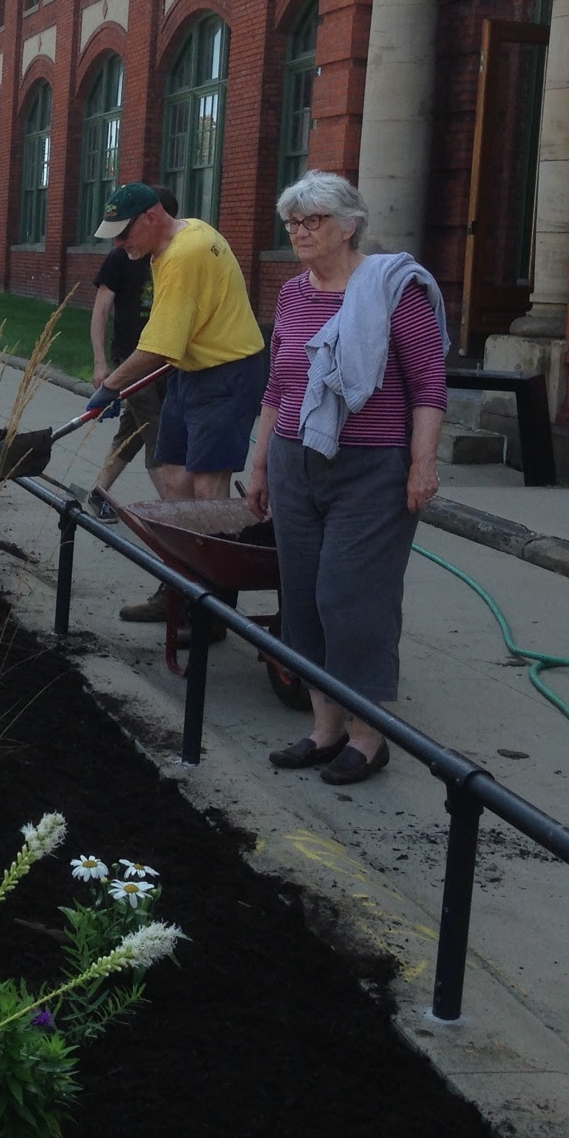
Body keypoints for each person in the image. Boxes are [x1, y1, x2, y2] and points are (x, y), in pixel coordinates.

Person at [243, 171, 447, 786]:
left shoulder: (392, 290)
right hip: (294, 460)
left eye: (313, 221)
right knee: (303, 598)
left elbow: (429, 384)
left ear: (349, 226)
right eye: (293, 223)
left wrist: (422, 463)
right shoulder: (292, 294)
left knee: (352, 600)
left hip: (371, 469)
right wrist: (259, 464)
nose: (300, 232)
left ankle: (368, 736)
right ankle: (324, 728)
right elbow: (278, 386)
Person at [87, 184, 268, 624]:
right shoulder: (176, 240)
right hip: (191, 370)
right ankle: (181, 586)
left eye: (123, 233)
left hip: (227, 373)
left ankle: (212, 611)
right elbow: (172, 338)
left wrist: (110, 386)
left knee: (207, 489)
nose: (118, 244)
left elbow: (159, 345)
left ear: (151, 216)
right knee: (172, 476)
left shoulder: (186, 254)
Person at [87, 184, 179, 522]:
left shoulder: (174, 257)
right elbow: (100, 311)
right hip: (132, 360)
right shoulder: (120, 258)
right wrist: (101, 363)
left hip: (167, 363)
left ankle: (98, 493)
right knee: (157, 434)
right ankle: (177, 517)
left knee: (131, 431)